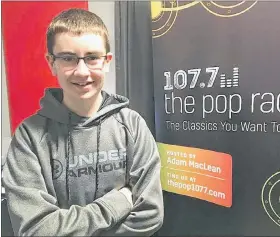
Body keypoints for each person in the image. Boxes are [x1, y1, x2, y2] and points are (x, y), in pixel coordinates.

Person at [3, 8, 164, 236]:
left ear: (106, 61)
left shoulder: (132, 126)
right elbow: (35, 230)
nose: (82, 71)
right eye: (68, 58)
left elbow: (150, 215)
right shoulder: (29, 137)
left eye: (92, 58)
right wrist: (118, 202)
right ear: (52, 63)